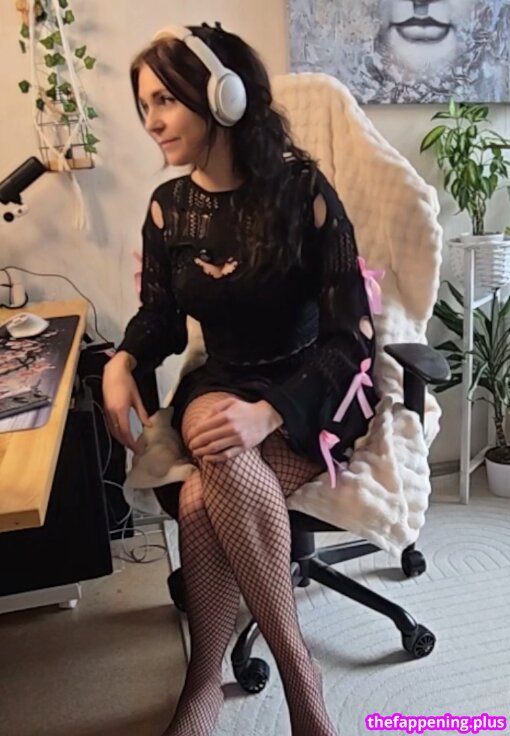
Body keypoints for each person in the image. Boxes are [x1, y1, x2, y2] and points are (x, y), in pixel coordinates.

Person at [102, 21, 379, 736]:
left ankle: (213, 680)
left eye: (166, 100)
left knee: (201, 497)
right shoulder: (168, 208)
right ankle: (297, 678)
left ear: (222, 95)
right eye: (145, 105)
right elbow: (161, 318)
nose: (151, 120)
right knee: (213, 426)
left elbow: (353, 336)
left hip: (311, 390)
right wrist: (123, 359)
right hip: (223, 382)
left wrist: (273, 412)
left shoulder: (304, 192)